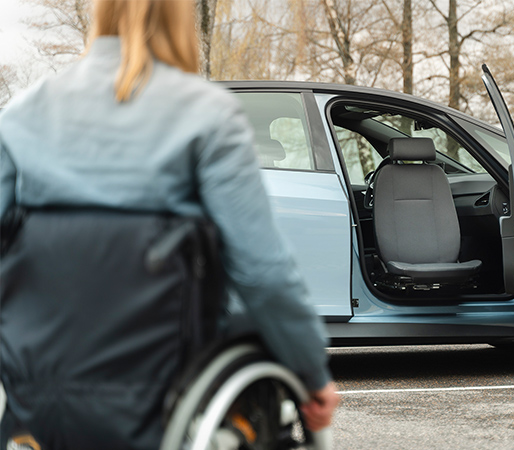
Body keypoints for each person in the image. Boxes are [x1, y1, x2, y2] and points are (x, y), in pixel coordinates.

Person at [0, 0, 339, 444]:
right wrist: (312, 373)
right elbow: (262, 273)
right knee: (254, 327)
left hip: (38, 393)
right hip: (162, 387)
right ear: (179, 16)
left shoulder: (23, 114)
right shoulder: (208, 115)